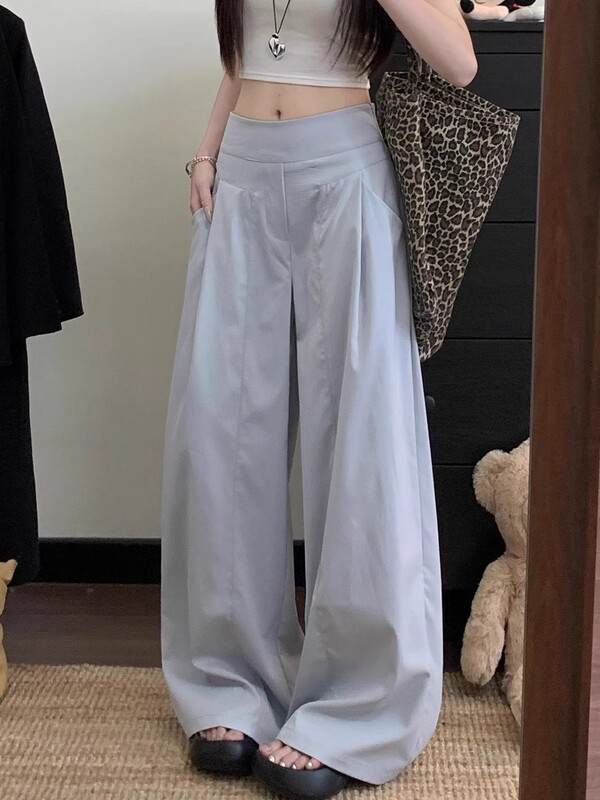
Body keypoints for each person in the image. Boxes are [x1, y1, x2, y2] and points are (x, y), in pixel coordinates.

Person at [160, 1, 477, 798]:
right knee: (226, 434)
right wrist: (206, 150)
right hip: (242, 175)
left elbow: (459, 62)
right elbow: (246, 54)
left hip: (345, 173)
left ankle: (357, 706)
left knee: (360, 444)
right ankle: (229, 681)